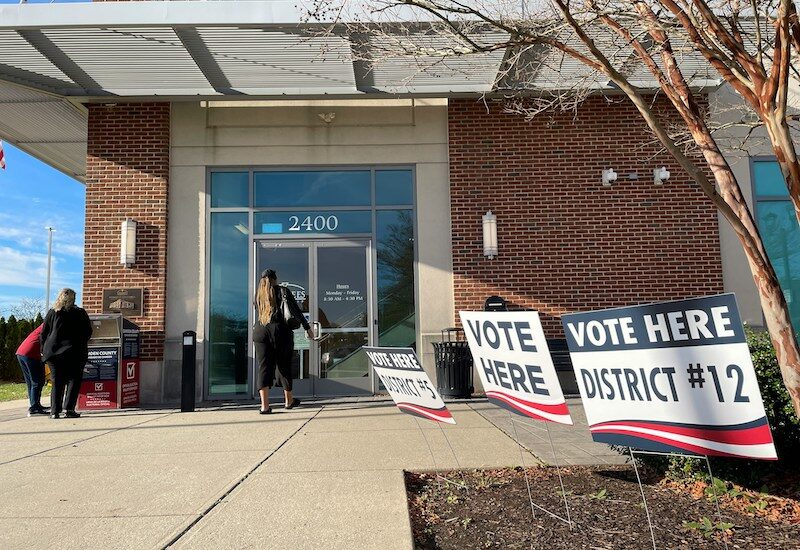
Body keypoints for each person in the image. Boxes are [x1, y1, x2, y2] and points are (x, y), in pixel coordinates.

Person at [253, 269, 314, 414]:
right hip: (280, 331)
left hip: (260, 331)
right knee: (284, 364)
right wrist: (307, 328)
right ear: (275, 279)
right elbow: (296, 311)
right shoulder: (283, 291)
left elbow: (259, 311)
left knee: (264, 367)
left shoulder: (258, 294)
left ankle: (264, 406)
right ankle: (288, 401)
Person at [40, 288, 92, 419]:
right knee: (73, 380)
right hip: (75, 352)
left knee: (57, 381)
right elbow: (88, 331)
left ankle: (54, 411)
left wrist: (43, 350)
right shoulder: (79, 313)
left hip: (54, 353)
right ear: (73, 298)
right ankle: (69, 409)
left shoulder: (52, 312)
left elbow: (44, 333)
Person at [16, 324, 49, 417]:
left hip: (22, 353)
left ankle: (35, 405)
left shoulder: (46, 324)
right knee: (37, 381)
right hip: (30, 353)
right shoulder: (51, 324)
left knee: (32, 382)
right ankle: (34, 408)